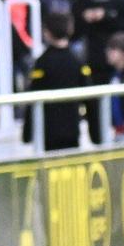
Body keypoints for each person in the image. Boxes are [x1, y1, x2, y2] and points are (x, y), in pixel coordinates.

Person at [26, 9, 102, 151]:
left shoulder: (42, 62)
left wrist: (27, 133)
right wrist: (96, 135)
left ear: (46, 32)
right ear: (71, 30)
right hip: (72, 129)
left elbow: (33, 95)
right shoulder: (77, 62)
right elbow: (90, 99)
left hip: (47, 131)